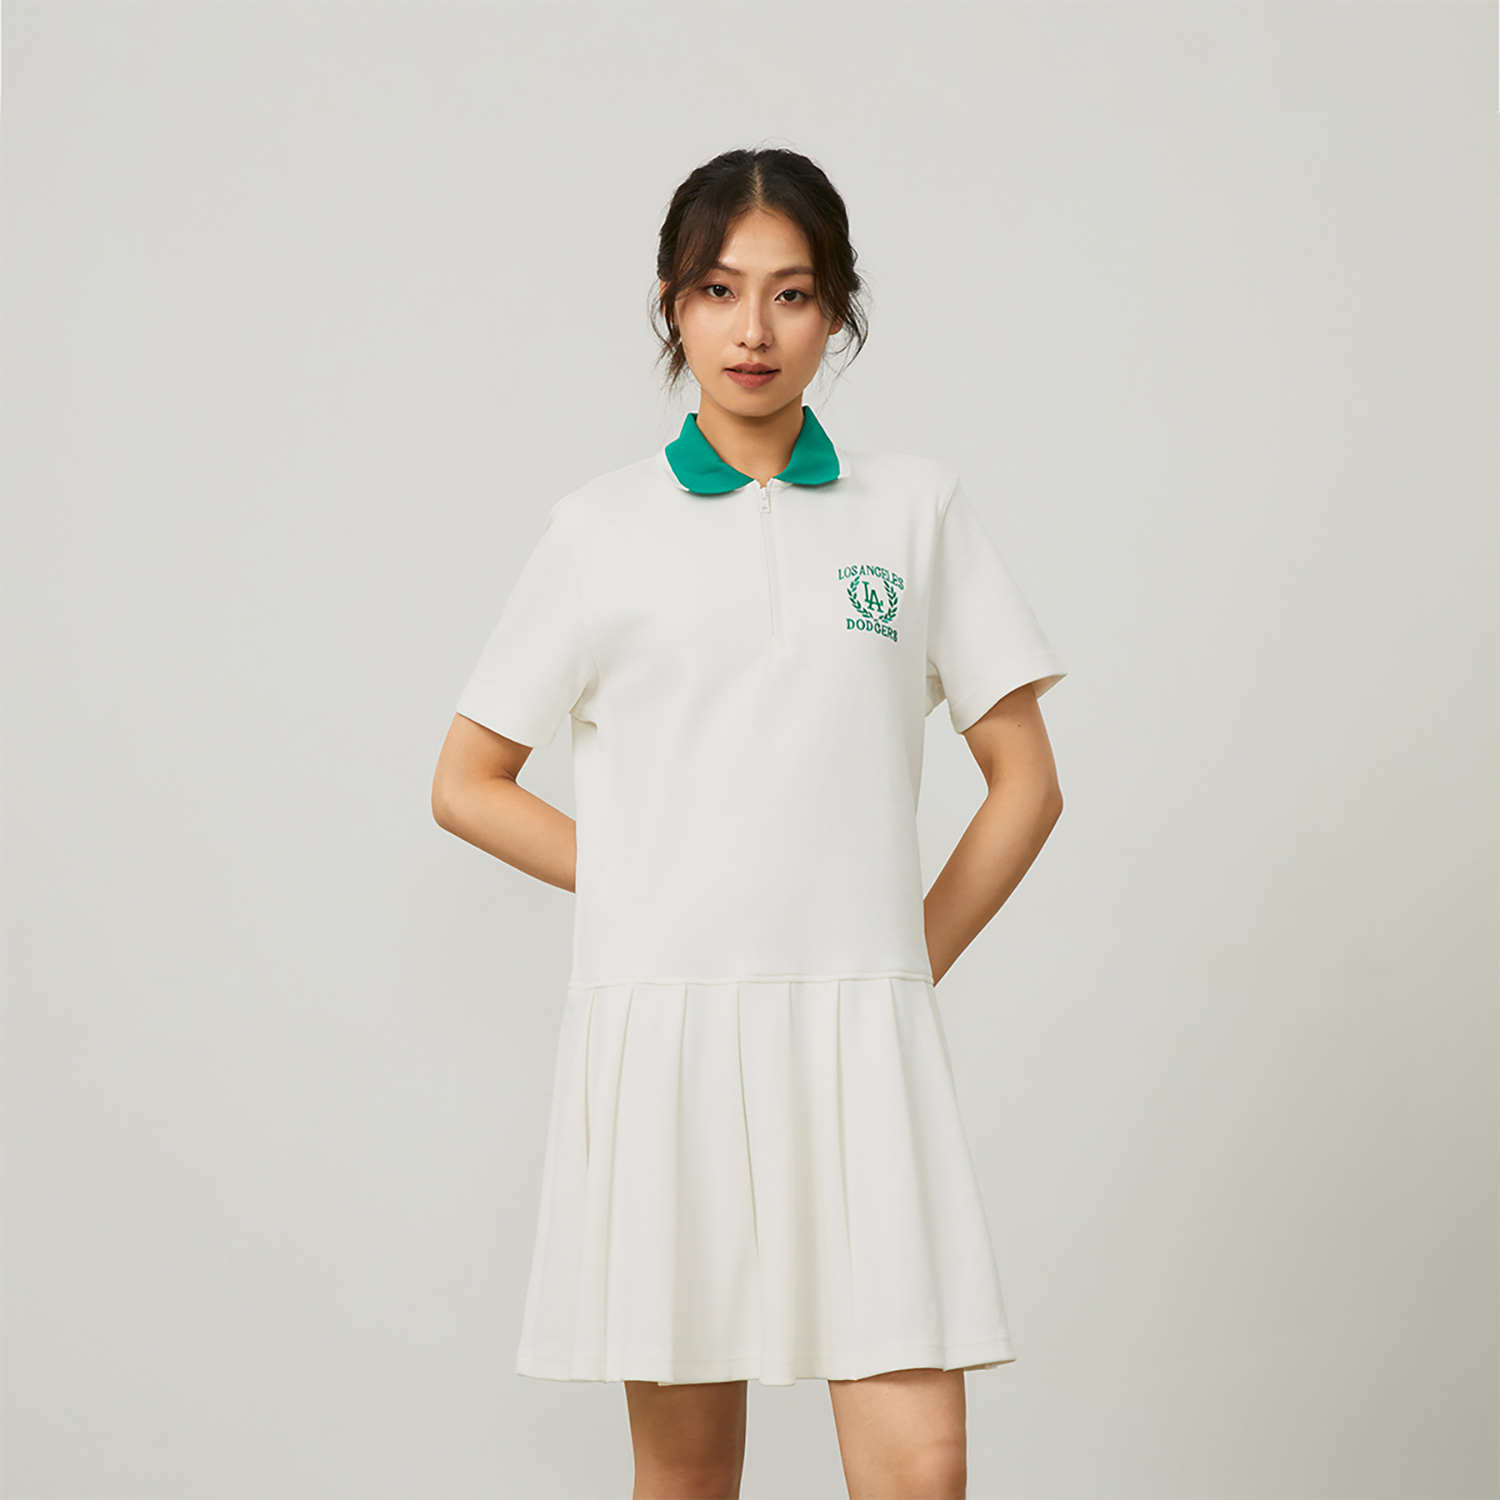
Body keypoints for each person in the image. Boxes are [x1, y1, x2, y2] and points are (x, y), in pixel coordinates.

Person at [431, 146, 1068, 1500]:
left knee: (921, 1467)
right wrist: (647, 888)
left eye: (792, 293)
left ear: (838, 309)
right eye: (719, 291)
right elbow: (465, 781)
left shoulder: (915, 510)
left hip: (860, 1034)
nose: (754, 330)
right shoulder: (598, 529)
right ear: (673, 304)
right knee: (689, 1474)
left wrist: (905, 963)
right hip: (665, 1030)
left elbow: (1027, 780)